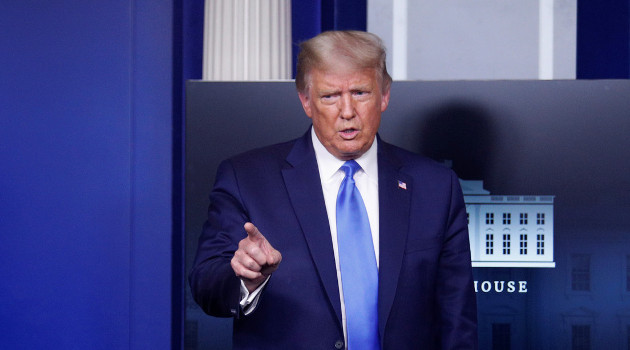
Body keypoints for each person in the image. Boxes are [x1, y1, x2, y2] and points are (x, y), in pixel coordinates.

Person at [189, 30, 478, 349]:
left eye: (360, 93)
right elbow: (206, 286)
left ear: (384, 95)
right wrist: (245, 278)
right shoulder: (246, 178)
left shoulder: (435, 186)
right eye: (330, 96)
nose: (347, 112)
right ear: (306, 100)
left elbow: (457, 319)